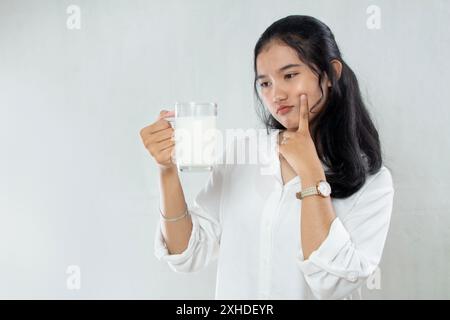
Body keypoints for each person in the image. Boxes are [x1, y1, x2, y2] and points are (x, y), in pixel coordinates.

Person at [139, 15, 394, 300]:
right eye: (265, 84)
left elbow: (333, 283)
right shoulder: (242, 154)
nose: (276, 94)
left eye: (289, 75)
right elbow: (187, 252)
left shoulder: (373, 181)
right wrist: (166, 169)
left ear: (331, 74)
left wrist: (310, 171)